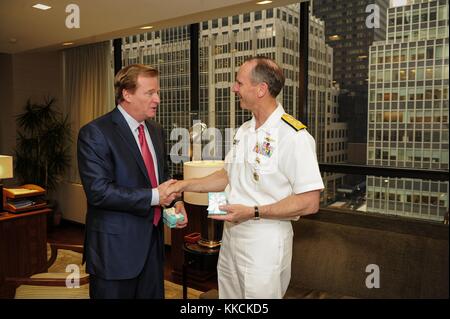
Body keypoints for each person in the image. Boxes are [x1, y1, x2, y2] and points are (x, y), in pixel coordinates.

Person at [172, 57, 324, 298]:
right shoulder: (244, 130)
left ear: (261, 89)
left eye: (239, 83)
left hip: (265, 239)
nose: (234, 88)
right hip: (231, 235)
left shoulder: (293, 136)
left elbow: (309, 201)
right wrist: (184, 184)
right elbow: (226, 175)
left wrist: (252, 211)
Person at [77, 64, 187, 299]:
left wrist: (173, 202)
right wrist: (156, 196)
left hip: (152, 247)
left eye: (157, 92)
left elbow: (161, 176)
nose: (157, 99)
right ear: (126, 94)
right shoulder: (95, 132)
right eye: (150, 93)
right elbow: (99, 191)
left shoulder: (155, 130)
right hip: (115, 251)